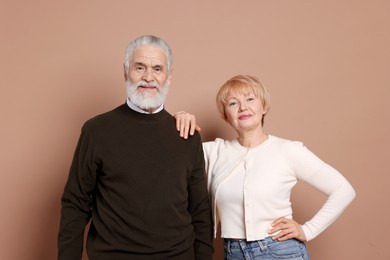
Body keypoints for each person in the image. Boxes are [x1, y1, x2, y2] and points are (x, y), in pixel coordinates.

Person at [58, 35, 213, 260]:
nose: (148, 77)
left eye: (157, 69)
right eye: (140, 67)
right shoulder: (96, 130)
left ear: (169, 77)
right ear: (125, 72)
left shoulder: (186, 135)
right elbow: (76, 203)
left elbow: (200, 211)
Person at [175, 74, 356, 259]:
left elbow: (343, 190)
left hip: (281, 251)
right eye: (233, 103)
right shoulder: (214, 151)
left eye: (250, 99)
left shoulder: (288, 150)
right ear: (226, 116)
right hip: (233, 253)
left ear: (264, 107)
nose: (243, 107)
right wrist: (180, 118)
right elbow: (170, 147)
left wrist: (308, 230)